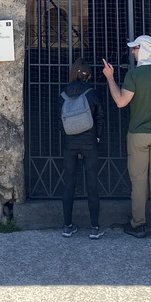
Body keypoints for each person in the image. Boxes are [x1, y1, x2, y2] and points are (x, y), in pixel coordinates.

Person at [102, 35, 151, 239]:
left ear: (143, 50)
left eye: (135, 49)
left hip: (138, 135)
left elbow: (120, 102)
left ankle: (138, 225)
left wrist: (110, 77)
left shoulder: (134, 76)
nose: (132, 52)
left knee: (138, 181)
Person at [60, 58, 105, 239]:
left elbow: (59, 120)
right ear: (88, 76)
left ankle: (67, 226)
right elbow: (100, 117)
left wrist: (69, 140)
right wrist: (97, 137)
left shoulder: (63, 93)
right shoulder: (92, 93)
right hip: (89, 143)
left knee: (69, 184)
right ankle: (94, 227)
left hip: (70, 144)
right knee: (92, 184)